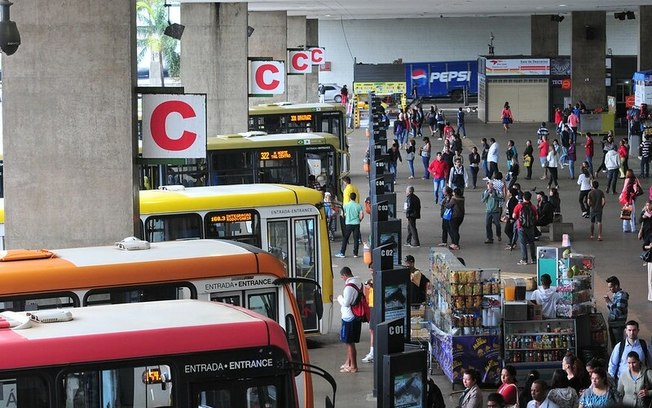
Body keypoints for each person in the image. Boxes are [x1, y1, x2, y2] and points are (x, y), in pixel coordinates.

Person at [336, 266, 361, 373]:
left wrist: (339, 298)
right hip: (355, 316)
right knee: (349, 342)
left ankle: (353, 366)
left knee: (349, 343)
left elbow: (346, 303)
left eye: (342, 277)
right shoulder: (358, 282)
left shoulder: (348, 287)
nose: (342, 279)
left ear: (345, 275)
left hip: (349, 317)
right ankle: (348, 362)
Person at [335, 191, 364, 258]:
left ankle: (342, 252)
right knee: (356, 239)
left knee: (345, 238)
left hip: (348, 224)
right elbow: (362, 215)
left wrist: (345, 216)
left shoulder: (346, 206)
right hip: (356, 223)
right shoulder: (359, 205)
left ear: (350, 198)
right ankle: (355, 253)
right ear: (355, 198)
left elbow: (342, 214)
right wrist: (359, 220)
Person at [513, 191, 538, 265]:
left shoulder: (519, 206)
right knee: (531, 243)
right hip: (530, 227)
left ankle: (524, 259)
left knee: (523, 243)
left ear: (523, 197)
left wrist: (518, 219)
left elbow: (514, 216)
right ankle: (533, 259)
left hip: (521, 227)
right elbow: (536, 217)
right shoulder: (532, 206)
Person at [604, 277, 629, 349]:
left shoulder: (621, 295)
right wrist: (608, 303)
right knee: (614, 347)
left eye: (611, 287)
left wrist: (609, 301)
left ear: (616, 286)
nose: (609, 289)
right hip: (613, 324)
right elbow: (612, 309)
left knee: (618, 346)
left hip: (618, 325)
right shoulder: (616, 294)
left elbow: (617, 312)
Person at [482, 180, 503, 244]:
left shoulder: (496, 192)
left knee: (497, 224)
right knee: (488, 225)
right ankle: (489, 238)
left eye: (490, 185)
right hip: (488, 211)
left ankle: (498, 234)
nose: (489, 186)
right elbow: (483, 200)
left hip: (496, 211)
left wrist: (494, 196)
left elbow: (501, 198)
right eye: (488, 185)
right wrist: (488, 194)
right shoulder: (485, 192)